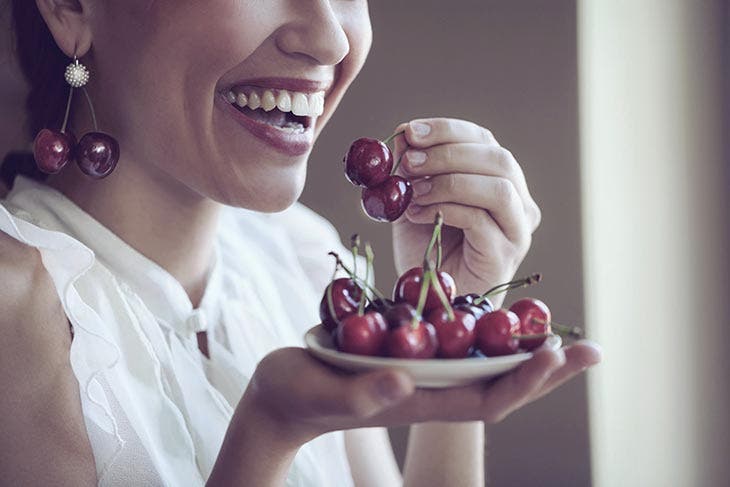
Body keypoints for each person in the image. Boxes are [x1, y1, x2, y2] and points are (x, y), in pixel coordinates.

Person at [0, 1, 602, 486]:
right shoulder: (12, 311)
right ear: (71, 7)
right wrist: (268, 432)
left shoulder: (302, 257)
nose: (331, 39)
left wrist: (452, 325)